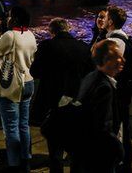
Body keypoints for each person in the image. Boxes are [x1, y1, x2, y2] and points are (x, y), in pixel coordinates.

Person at [29, 17, 94, 173]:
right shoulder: (83, 47)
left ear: (51, 31)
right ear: (68, 28)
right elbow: (90, 74)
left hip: (54, 102)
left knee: (55, 146)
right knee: (75, 146)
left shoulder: (47, 46)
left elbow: (35, 71)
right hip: (76, 102)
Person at [0, 5, 37, 172]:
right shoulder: (30, 35)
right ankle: (26, 160)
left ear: (14, 19)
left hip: (12, 84)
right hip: (28, 82)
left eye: (9, 16)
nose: (7, 18)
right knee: (24, 124)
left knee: (11, 126)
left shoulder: (9, 35)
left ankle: (14, 164)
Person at [74, 39, 126, 173]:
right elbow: (103, 125)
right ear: (106, 60)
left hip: (86, 150)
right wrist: (118, 149)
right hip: (100, 154)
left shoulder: (91, 78)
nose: (123, 60)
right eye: (118, 57)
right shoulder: (104, 87)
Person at [103, 5, 132, 173]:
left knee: (117, 130)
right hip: (123, 91)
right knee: (123, 129)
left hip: (115, 93)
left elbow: (106, 69)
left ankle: (120, 164)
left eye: (106, 16)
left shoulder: (114, 42)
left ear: (111, 21)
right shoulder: (123, 38)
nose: (103, 19)